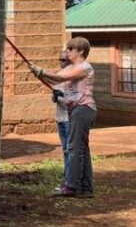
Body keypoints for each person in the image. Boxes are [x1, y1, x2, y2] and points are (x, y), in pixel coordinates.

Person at [32, 37, 96, 198]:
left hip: (83, 109)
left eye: (70, 49)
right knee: (81, 149)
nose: (67, 52)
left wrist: (41, 71)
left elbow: (60, 78)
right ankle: (86, 188)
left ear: (80, 51)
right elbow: (55, 80)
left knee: (74, 148)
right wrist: (38, 74)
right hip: (75, 110)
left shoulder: (84, 67)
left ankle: (71, 186)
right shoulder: (73, 67)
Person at [52, 51, 73, 183]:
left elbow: (74, 99)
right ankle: (67, 174)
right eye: (60, 60)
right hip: (60, 117)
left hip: (69, 118)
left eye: (64, 60)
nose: (61, 62)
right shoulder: (57, 77)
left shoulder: (73, 77)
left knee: (70, 149)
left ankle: (71, 177)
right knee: (64, 149)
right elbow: (54, 99)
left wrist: (62, 95)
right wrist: (55, 95)